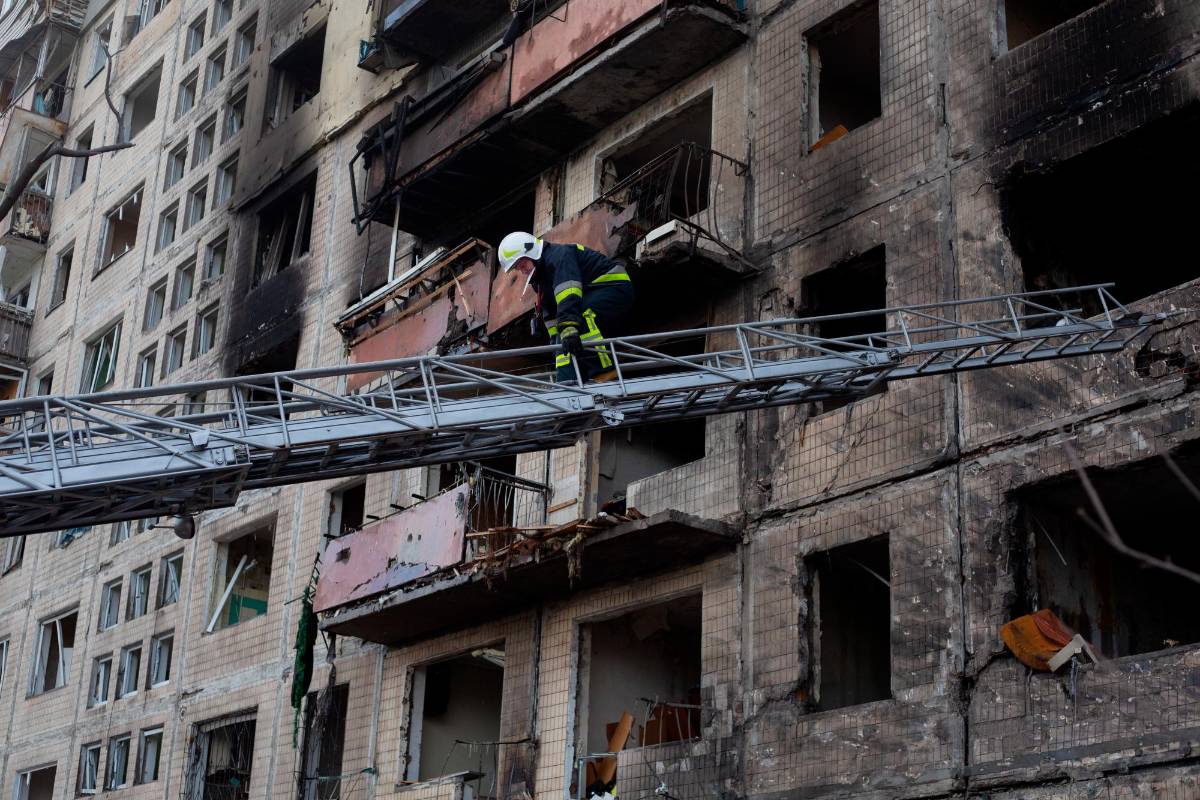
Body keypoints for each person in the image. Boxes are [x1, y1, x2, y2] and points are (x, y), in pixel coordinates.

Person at [498, 232, 634, 383]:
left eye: (521, 264)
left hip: (614, 287)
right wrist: (556, 342)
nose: (522, 270)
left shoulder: (559, 256)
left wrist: (568, 328)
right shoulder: (539, 281)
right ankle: (566, 385)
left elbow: (569, 295)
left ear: (531, 252)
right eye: (517, 268)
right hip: (588, 295)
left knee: (578, 319)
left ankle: (605, 375)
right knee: (562, 339)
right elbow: (551, 314)